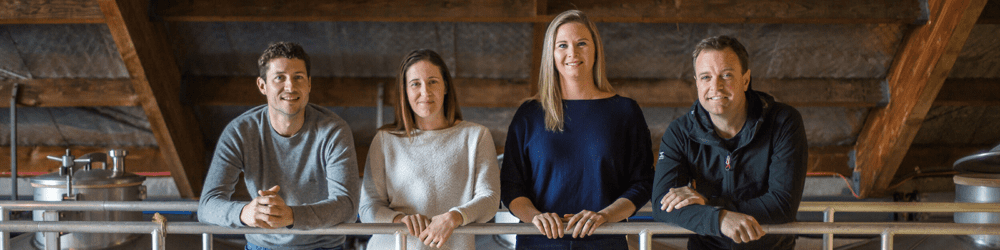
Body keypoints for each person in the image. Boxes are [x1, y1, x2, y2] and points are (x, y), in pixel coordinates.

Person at [501, 10, 653, 249]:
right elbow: (511, 186)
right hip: (539, 244)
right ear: (551, 54)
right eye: (562, 45)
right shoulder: (529, 114)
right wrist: (535, 217)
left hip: (604, 243)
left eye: (581, 43)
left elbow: (642, 183)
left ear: (595, 50)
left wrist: (605, 216)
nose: (572, 52)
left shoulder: (625, 111)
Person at [198, 42, 360, 250]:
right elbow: (207, 205)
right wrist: (245, 213)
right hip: (262, 246)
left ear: (309, 84)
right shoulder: (239, 131)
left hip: (322, 247)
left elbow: (347, 205)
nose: (290, 86)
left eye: (298, 77)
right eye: (279, 78)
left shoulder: (334, 130)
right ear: (262, 85)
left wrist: (291, 215)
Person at [651, 35, 808, 250]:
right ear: (697, 82)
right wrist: (720, 220)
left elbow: (782, 204)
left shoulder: (783, 122)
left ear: (745, 80)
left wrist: (711, 207)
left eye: (726, 75)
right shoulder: (680, 132)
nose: (716, 86)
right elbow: (662, 204)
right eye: (706, 77)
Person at [359, 49, 500, 250]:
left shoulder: (476, 136)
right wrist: (400, 220)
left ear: (445, 87)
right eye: (415, 84)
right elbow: (368, 207)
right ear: (405, 92)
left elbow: (490, 199)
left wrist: (455, 217)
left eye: (433, 81)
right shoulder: (384, 140)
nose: (425, 92)